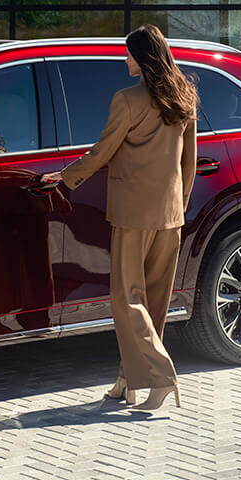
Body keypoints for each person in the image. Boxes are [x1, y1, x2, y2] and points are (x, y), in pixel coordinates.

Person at [41, 25, 197, 411]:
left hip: (133, 215)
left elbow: (102, 152)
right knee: (154, 303)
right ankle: (128, 381)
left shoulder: (126, 100)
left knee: (128, 301)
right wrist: (179, 205)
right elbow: (188, 162)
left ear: (141, 58)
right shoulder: (184, 96)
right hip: (170, 215)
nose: (124, 60)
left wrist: (64, 176)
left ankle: (162, 379)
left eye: (128, 54)